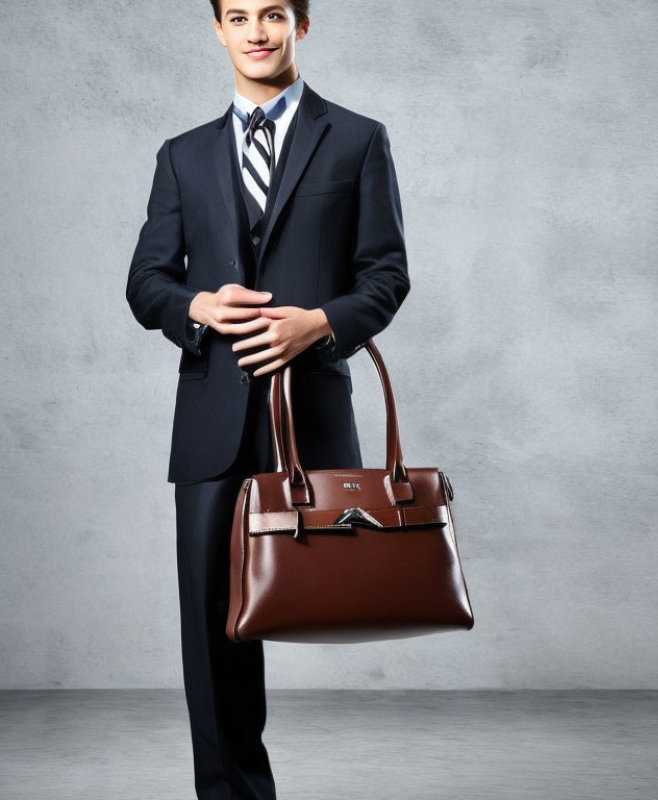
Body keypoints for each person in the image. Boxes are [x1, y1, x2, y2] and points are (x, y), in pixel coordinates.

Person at [125, 0, 409, 796]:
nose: (257, 31)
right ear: (217, 28)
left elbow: (387, 275)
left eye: (274, 13)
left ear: (302, 25)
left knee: (309, 608)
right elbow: (145, 281)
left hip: (308, 422)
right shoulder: (181, 156)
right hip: (211, 422)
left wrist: (320, 324)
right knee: (213, 634)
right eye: (240, 15)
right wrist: (194, 306)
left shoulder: (356, 139)